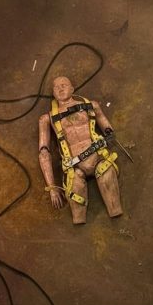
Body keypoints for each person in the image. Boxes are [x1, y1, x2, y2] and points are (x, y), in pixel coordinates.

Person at [38, 76, 124, 225]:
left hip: (98, 158)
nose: (60, 88)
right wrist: (52, 187)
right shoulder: (47, 119)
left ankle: (115, 210)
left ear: (72, 89)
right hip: (74, 168)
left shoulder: (92, 106)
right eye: (56, 87)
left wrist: (109, 135)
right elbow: (44, 153)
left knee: (108, 178)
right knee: (77, 212)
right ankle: (80, 221)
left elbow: (108, 129)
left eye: (64, 85)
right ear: (53, 93)